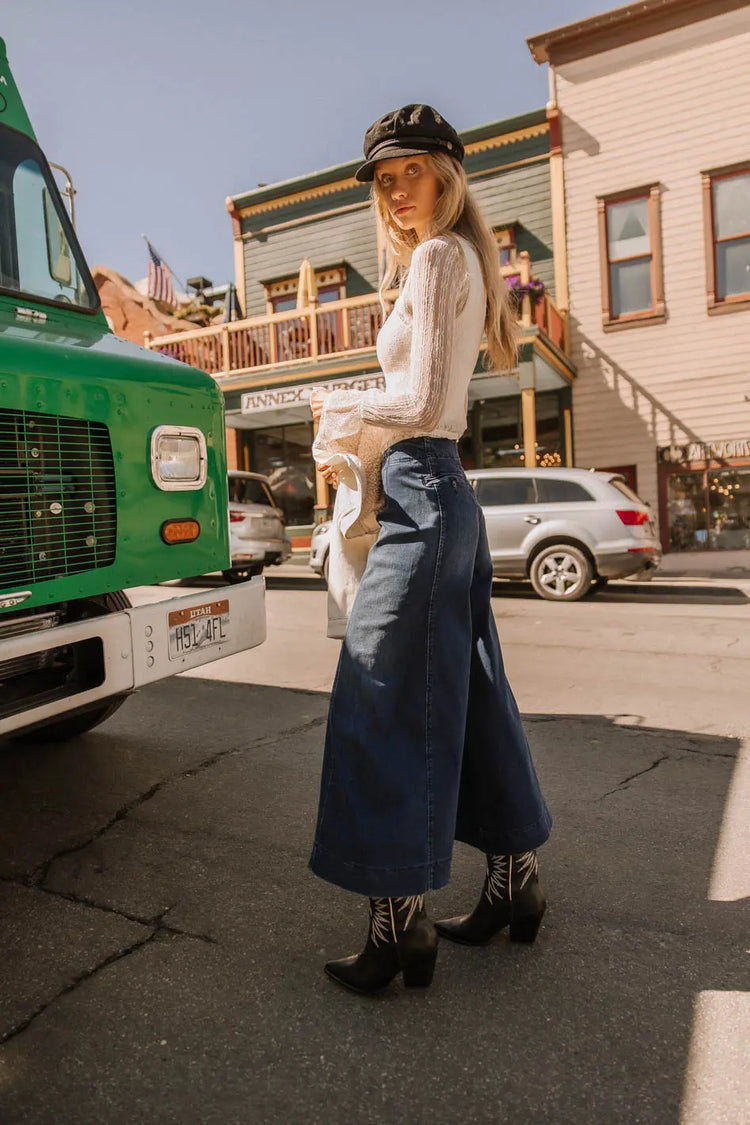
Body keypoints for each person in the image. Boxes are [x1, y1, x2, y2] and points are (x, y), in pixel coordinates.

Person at [308, 105, 552, 995]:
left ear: (449, 172)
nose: (396, 191)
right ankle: (514, 880)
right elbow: (421, 399)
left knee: (377, 689)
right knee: (470, 684)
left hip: (424, 488)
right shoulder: (438, 262)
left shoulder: (444, 254)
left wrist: (336, 409)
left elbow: (416, 406)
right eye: (383, 179)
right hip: (438, 493)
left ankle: (397, 923)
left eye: (410, 171)